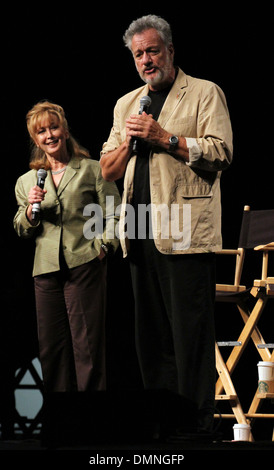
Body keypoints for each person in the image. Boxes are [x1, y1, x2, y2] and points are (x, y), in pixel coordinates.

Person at [100, 15, 233, 434]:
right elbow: (107, 169)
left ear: (171, 51)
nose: (145, 60)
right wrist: (129, 143)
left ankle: (198, 426)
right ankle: (162, 423)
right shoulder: (126, 104)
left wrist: (163, 137)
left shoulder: (204, 93)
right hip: (138, 230)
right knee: (151, 340)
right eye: (138, 54)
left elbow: (221, 152)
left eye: (152, 50)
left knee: (189, 338)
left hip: (184, 230)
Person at [14, 101, 121, 393]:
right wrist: (30, 210)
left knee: (87, 347)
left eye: (53, 127)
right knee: (51, 349)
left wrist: (104, 247)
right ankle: (61, 421)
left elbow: (114, 212)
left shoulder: (92, 169)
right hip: (46, 269)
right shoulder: (26, 182)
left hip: (84, 263)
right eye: (41, 132)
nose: (49, 135)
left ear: (65, 129)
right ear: (35, 140)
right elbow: (21, 227)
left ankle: (92, 421)